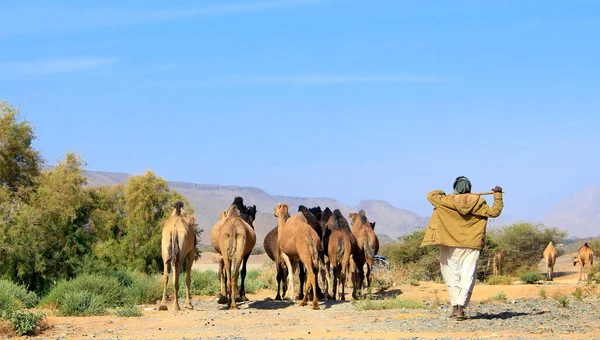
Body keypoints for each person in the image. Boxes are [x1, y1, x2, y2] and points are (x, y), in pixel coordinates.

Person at [421, 176, 503, 320]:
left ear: (455, 188)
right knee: (468, 274)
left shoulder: (445, 201)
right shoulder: (479, 202)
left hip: (449, 243)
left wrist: (446, 194)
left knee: (450, 274)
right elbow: (495, 212)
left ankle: (454, 308)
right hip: (471, 244)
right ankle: (461, 309)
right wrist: (497, 195)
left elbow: (431, 194)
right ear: (469, 188)